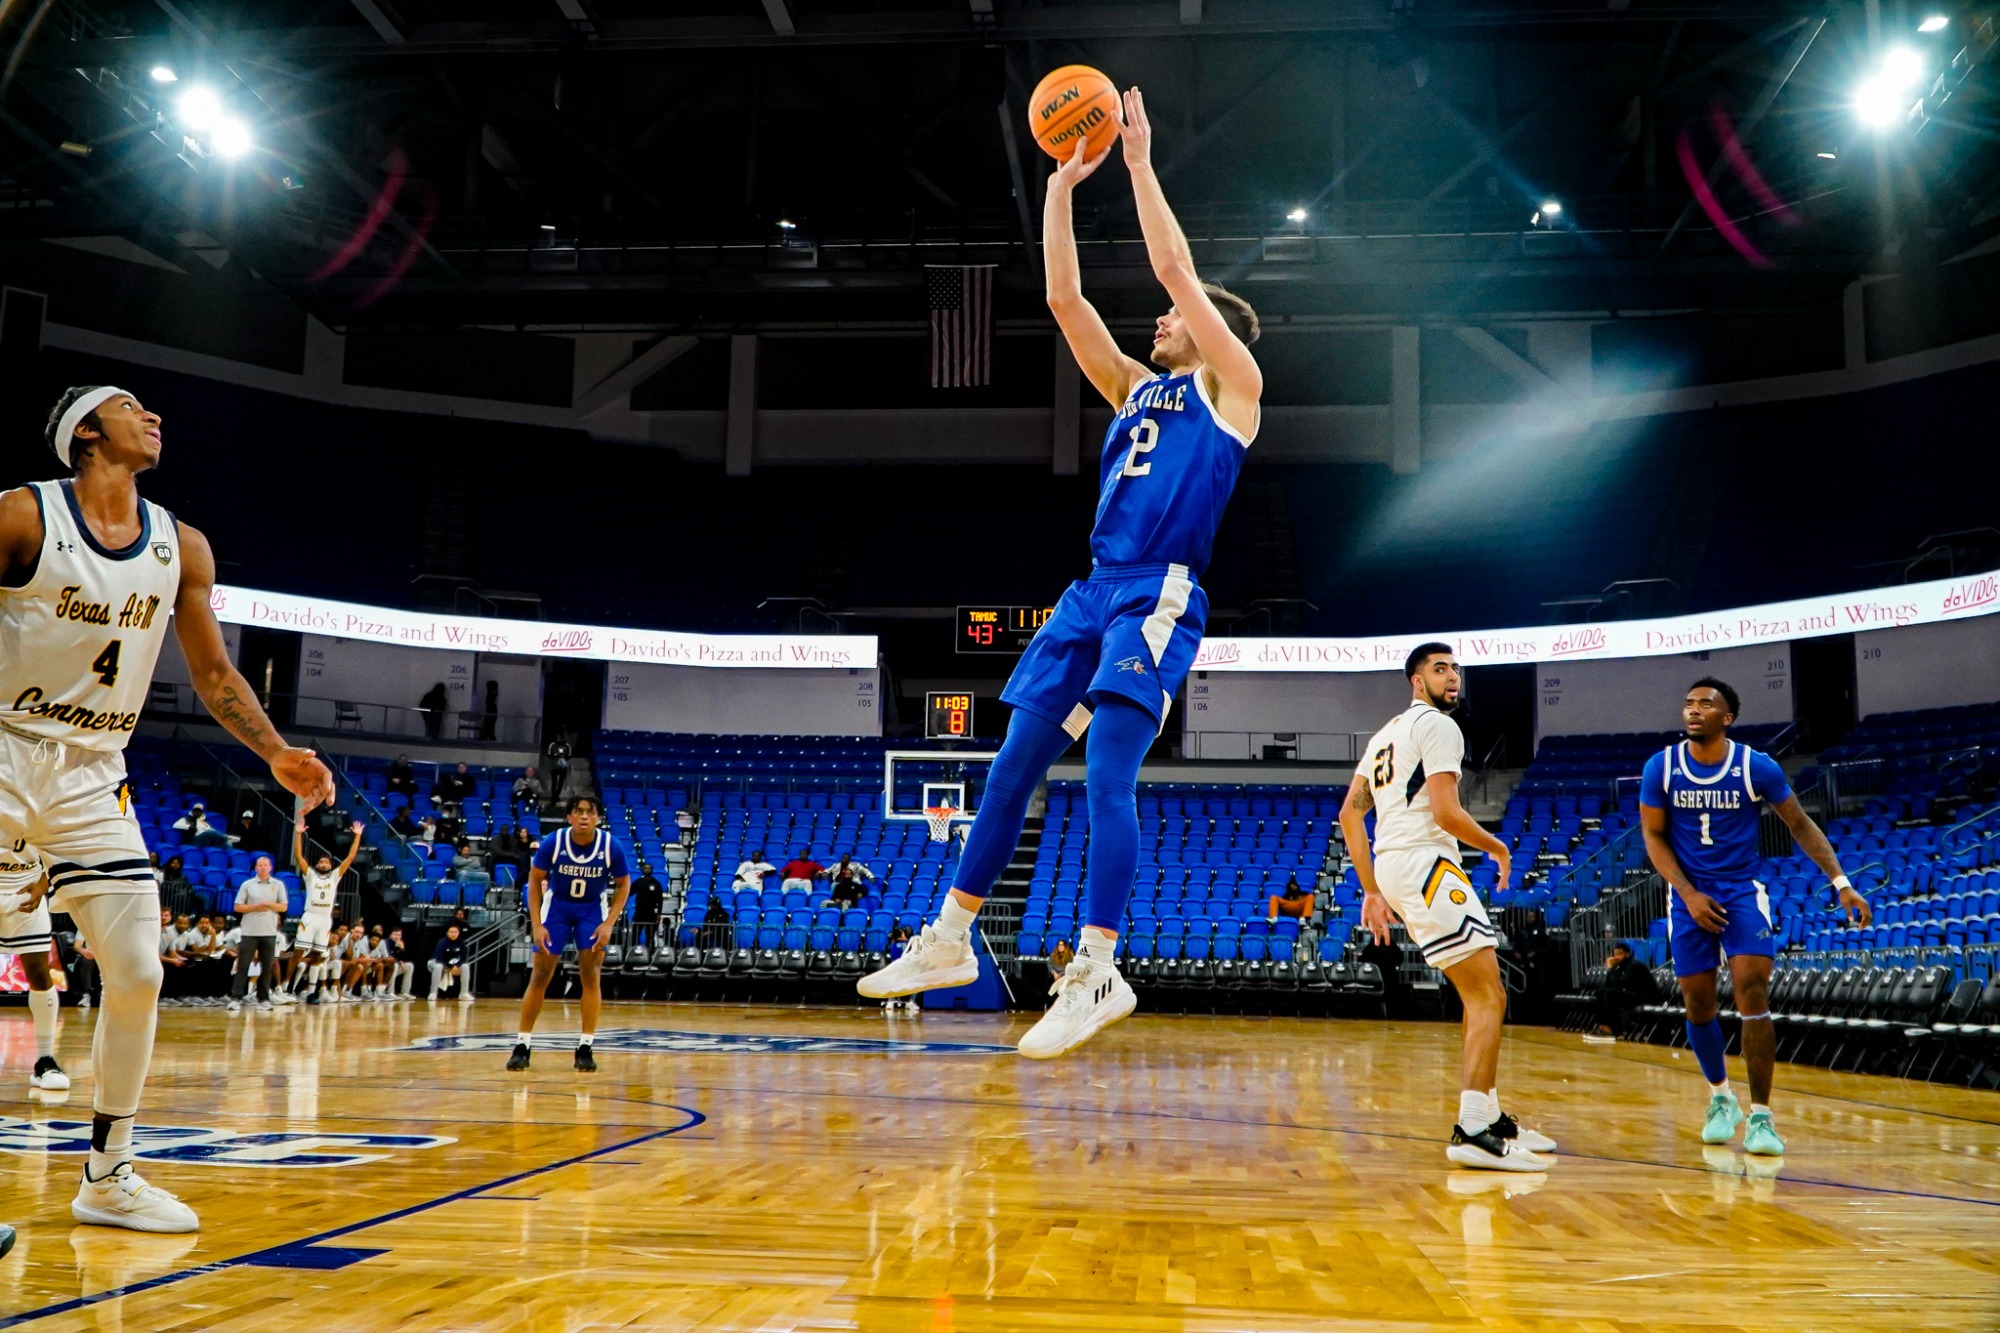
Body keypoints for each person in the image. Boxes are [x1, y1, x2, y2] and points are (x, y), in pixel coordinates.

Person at [857, 89, 1265, 1061]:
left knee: (1106, 777)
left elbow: (1173, 264)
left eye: (1175, 316)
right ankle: (949, 936)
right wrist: (1056, 189)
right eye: (1166, 316)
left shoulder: (1231, 387)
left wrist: (1133, 162)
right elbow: (1061, 302)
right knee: (1008, 768)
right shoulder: (1134, 388)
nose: (1160, 317)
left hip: (1157, 590)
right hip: (1088, 589)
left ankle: (1096, 965)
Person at [1, 386, 336, 1232]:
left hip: (92, 772)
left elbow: (216, 675)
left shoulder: (180, 546)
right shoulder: (21, 516)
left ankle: (108, 1174)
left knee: (140, 970)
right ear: (85, 433)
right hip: (2, 741)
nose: (154, 418)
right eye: (132, 407)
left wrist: (276, 754)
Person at [1341, 644, 1557, 1172]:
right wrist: (1499, 848)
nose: (1453, 676)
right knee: (1489, 994)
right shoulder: (1438, 727)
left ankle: (1489, 1111)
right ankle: (1473, 1129)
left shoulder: (1382, 736)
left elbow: (1350, 815)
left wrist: (1371, 890)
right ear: (1417, 681)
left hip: (1398, 867)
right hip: (1426, 863)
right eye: (1440, 669)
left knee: (1477, 993)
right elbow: (1445, 810)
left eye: (1456, 668)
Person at [1640, 677, 1869, 1156]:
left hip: (1742, 890)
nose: (1693, 710)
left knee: (1752, 988)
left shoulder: (1754, 767)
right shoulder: (1661, 767)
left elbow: (1800, 824)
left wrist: (1841, 882)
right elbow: (1654, 838)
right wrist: (1686, 893)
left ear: (1728, 717)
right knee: (1698, 1003)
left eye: (1706, 704)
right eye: (1688, 703)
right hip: (1688, 894)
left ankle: (1762, 1117)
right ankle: (1722, 1098)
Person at [507, 795, 631, 1075]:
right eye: (579, 811)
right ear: (569, 817)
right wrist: (537, 924)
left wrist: (609, 922)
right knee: (541, 974)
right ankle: (522, 1044)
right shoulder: (555, 841)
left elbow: (624, 884)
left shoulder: (611, 845)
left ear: (598, 817)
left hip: (591, 909)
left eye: (590, 812)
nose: (585, 816)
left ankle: (585, 1046)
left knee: (591, 973)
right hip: (558, 907)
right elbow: (535, 880)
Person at [0, 853, 69, 1090]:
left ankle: (45, 1060)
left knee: (39, 973)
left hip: (25, 890)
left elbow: (52, 845)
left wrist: (43, 883)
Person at [291, 818, 362, 1004]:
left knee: (318, 956)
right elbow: (298, 855)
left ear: (330, 866)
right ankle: (284, 989)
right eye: (321, 862)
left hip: (324, 918)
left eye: (326, 862)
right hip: (310, 916)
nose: (323, 864)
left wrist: (357, 836)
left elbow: (350, 857)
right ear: (317, 865)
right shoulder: (310, 875)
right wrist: (298, 833)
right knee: (298, 953)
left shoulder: (334, 877)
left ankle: (312, 992)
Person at [228, 856, 287, 1013]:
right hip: (249, 932)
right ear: (255, 868)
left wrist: (268, 904)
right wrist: (255, 907)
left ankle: (264, 999)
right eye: (259, 865)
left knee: (267, 967)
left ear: (270, 868)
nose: (262, 867)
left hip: (269, 932)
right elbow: (238, 907)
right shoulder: (247, 885)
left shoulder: (278, 884)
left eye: (265, 865)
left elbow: (283, 907)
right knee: (243, 965)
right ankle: (236, 998)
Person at [1587, 941, 1658, 1042]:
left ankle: (1612, 1029)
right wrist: (1611, 970)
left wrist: (1611, 969)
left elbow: (1620, 984)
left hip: (1646, 997)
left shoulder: (1635, 965)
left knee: (1610, 994)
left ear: (1628, 954)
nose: (1616, 957)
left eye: (1620, 954)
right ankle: (1602, 1025)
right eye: (1615, 954)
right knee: (1602, 991)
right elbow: (1608, 985)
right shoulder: (1620, 966)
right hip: (1634, 995)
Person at [629, 862, 664, 948]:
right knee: (635, 933)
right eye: (645, 868)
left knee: (650, 935)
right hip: (639, 912)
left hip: (651, 913)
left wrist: (659, 913)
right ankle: (633, 950)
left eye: (649, 868)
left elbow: (660, 899)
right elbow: (629, 893)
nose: (647, 870)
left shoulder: (656, 883)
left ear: (652, 870)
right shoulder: (638, 882)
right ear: (642, 870)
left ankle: (650, 952)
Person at [429, 922, 466, 999]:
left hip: (452, 964)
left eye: (455, 932)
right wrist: (451, 967)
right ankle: (433, 993)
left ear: (459, 933)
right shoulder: (442, 942)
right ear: (447, 933)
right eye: (451, 932)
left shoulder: (461, 942)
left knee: (465, 966)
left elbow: (463, 957)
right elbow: (439, 959)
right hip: (435, 963)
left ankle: (464, 993)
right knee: (438, 966)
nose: (453, 934)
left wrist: (456, 965)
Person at [385, 927, 415, 999]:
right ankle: (390, 992)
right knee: (394, 965)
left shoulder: (399, 943)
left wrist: (402, 949)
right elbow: (389, 958)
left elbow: (404, 958)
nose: (397, 937)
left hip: (395, 968)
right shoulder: (386, 943)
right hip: (386, 969)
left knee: (409, 966)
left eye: (399, 935)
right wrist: (398, 961)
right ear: (390, 935)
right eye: (395, 934)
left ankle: (404, 992)